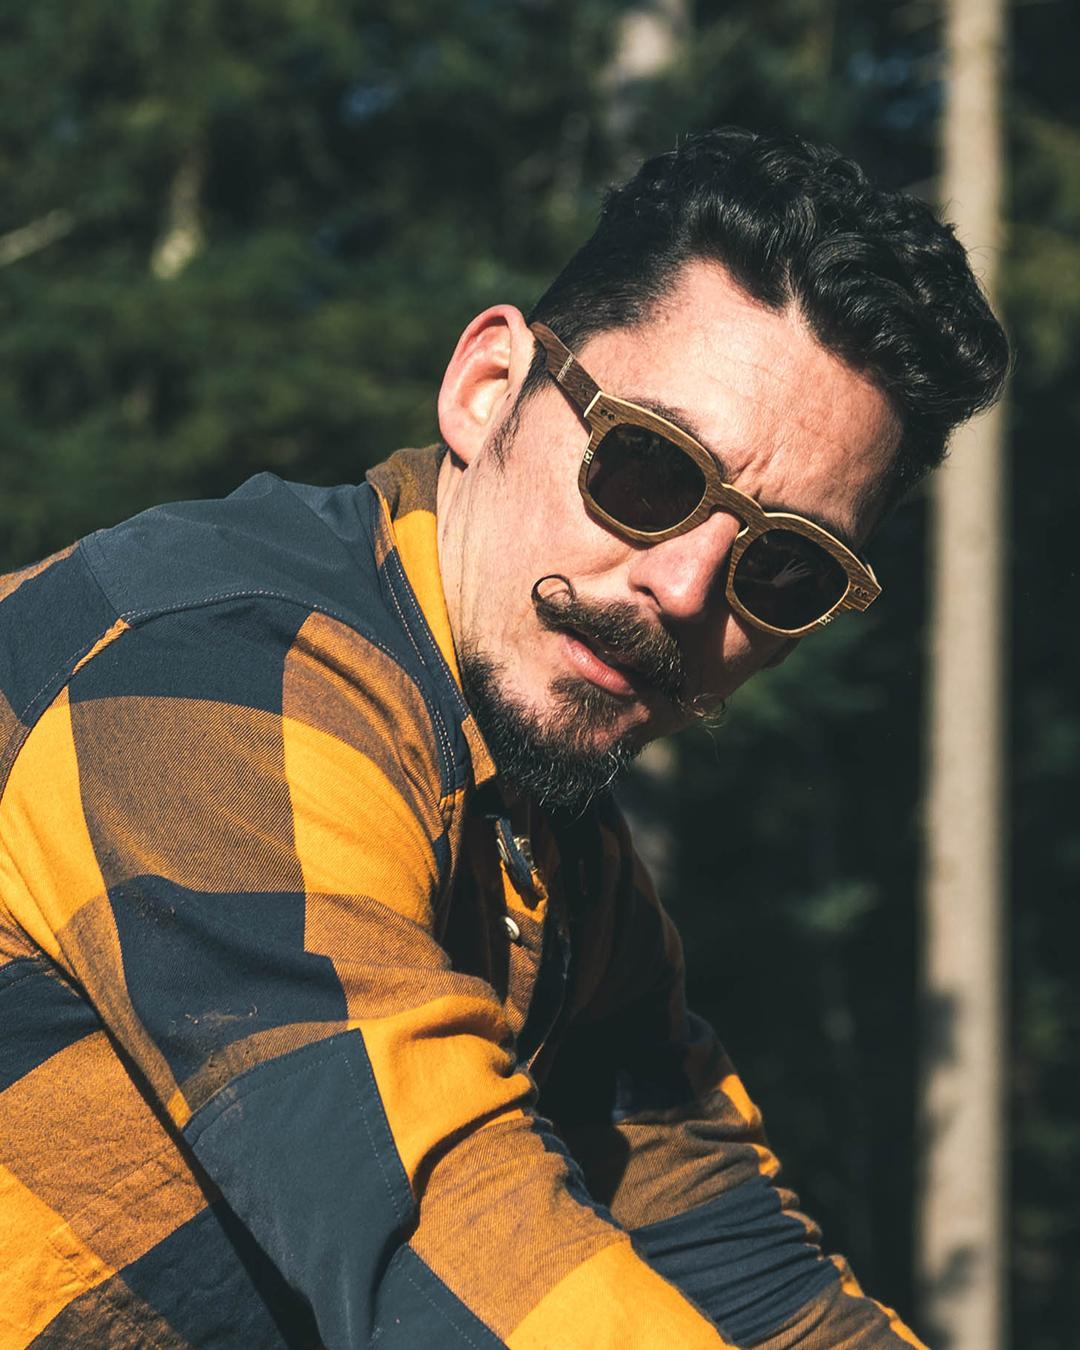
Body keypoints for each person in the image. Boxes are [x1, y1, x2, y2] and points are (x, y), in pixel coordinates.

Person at [0, 128, 1007, 1348]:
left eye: (786, 567)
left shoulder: (552, 846)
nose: (686, 588)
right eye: (651, 470)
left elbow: (729, 1257)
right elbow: (444, 1237)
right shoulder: (208, 671)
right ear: (488, 391)